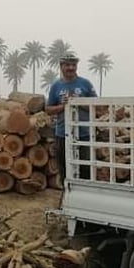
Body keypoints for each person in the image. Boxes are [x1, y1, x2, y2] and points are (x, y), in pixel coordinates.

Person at [45, 54, 97, 185]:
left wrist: (78, 102)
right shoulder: (56, 86)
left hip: (84, 133)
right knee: (64, 166)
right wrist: (62, 106)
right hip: (63, 133)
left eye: (73, 65)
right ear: (61, 67)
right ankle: (66, 194)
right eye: (67, 65)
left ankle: (85, 194)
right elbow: (48, 109)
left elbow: (98, 106)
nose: (71, 68)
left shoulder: (85, 84)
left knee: (86, 166)